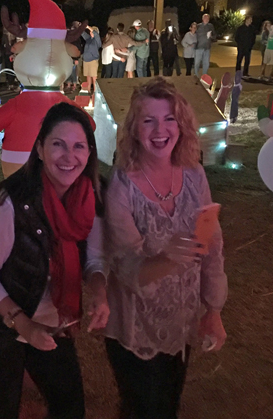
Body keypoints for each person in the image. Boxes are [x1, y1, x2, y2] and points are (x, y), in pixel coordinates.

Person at [0, 102, 109, 419]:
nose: (68, 156)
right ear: (40, 149)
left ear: (89, 153)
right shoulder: (10, 204)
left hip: (51, 321)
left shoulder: (91, 198)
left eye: (78, 146)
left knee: (69, 407)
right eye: (57, 144)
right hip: (0, 327)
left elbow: (95, 260)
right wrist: (23, 324)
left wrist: (100, 293)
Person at [103, 77, 227, 419]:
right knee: (143, 410)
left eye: (169, 118)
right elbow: (128, 270)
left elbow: (211, 246)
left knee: (169, 407)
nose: (161, 130)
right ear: (134, 129)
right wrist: (166, 258)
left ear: (182, 125)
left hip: (180, 324)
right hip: (134, 327)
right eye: (149, 120)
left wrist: (212, 310)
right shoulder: (121, 186)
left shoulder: (194, 175)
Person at [82, 26, 101, 93]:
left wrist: (87, 26)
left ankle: (96, 92)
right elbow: (83, 34)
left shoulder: (97, 40)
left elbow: (95, 33)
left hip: (93, 60)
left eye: (91, 31)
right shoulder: (89, 39)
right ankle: (89, 90)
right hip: (86, 60)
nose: (90, 33)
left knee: (94, 77)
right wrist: (80, 27)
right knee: (88, 76)